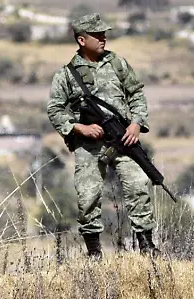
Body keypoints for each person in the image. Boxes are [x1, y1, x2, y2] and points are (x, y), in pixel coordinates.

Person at [46, 13, 156, 257]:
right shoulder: (67, 74)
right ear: (82, 40)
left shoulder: (117, 63)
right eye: (97, 35)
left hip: (123, 140)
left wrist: (136, 124)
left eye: (104, 33)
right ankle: (94, 253)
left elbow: (136, 94)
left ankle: (147, 246)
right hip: (90, 145)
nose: (103, 38)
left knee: (138, 186)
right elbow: (55, 109)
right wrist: (79, 128)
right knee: (88, 197)